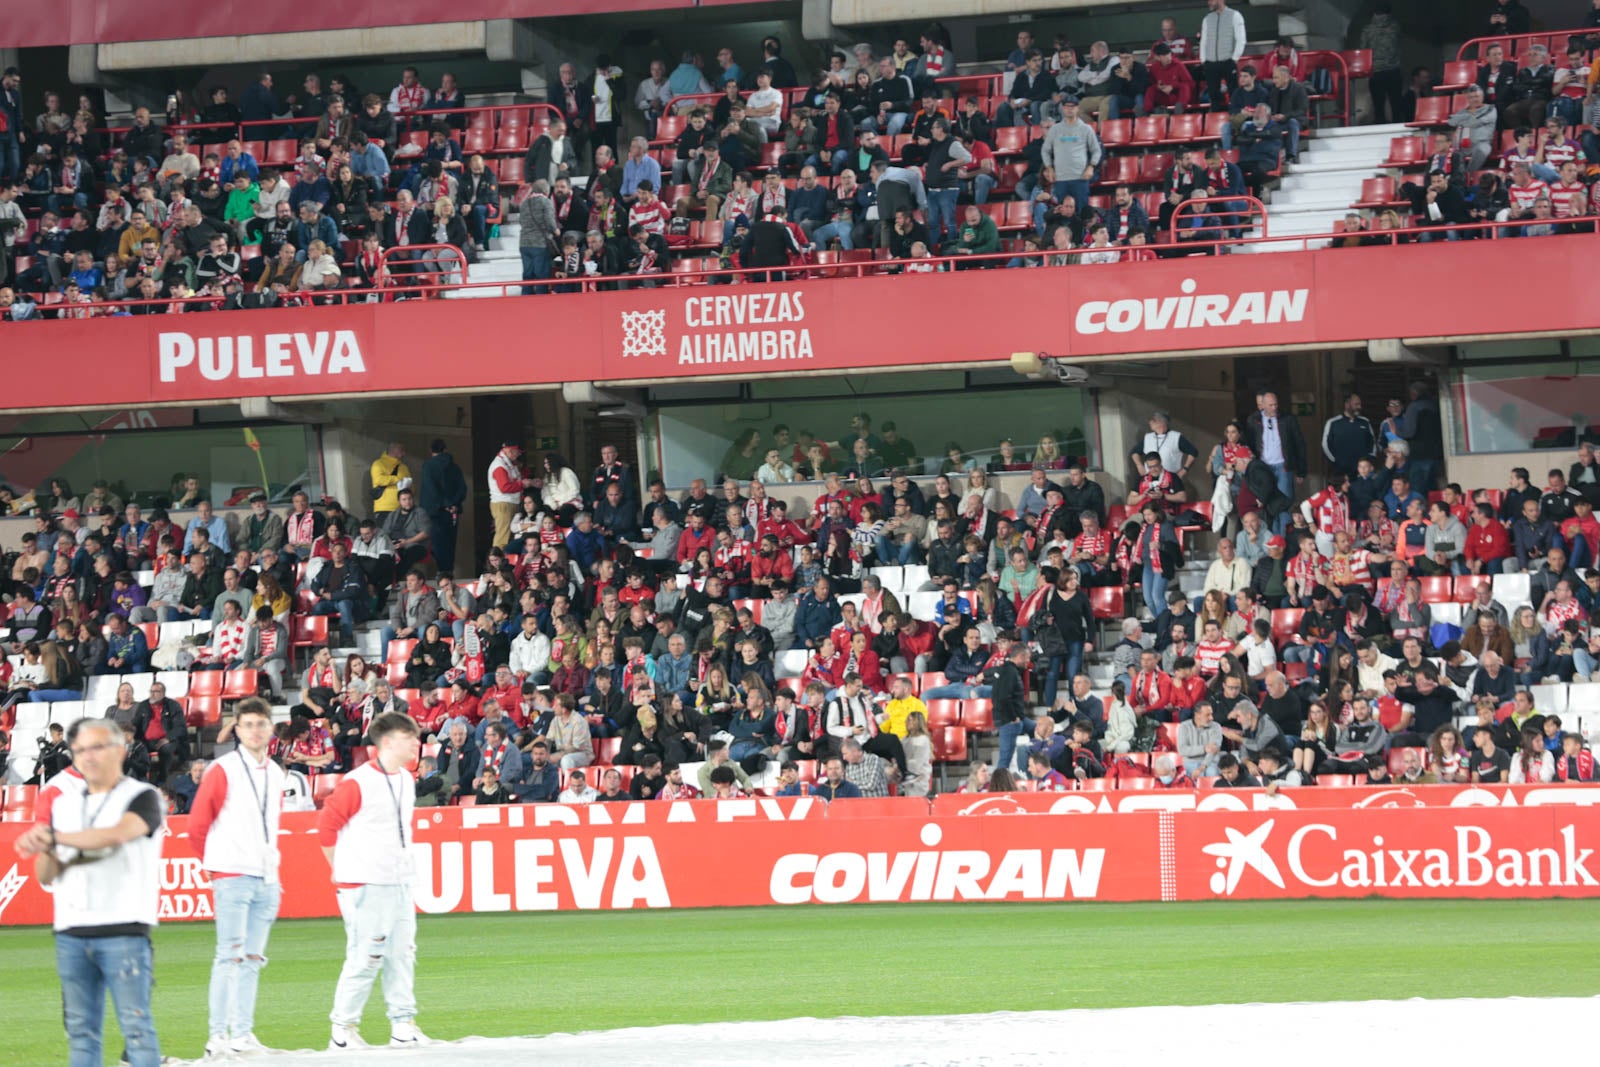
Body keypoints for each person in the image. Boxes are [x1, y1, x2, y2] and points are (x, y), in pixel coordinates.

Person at [13, 719, 166, 1067]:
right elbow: (45, 874)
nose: (88, 757)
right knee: (81, 1035)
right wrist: (44, 849)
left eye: (97, 747)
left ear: (120, 750)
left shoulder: (142, 796)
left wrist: (55, 838)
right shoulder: (63, 804)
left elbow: (116, 834)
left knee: (137, 1030)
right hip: (72, 930)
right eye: (80, 750)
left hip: (124, 927)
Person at [317, 711, 429, 1050]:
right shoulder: (358, 782)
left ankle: (403, 1024)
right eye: (409, 737)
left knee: (402, 953)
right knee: (366, 956)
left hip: (399, 880)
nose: (416, 743)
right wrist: (339, 869)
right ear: (388, 742)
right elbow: (327, 827)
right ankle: (343, 1028)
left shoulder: (406, 779)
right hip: (364, 882)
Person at [186, 698, 284, 1057]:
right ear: (237, 730)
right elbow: (197, 825)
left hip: (267, 877)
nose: (255, 730)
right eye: (248, 724)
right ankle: (217, 1036)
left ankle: (242, 1034)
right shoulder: (223, 769)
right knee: (229, 956)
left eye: (261, 724)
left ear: (271, 728)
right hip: (232, 875)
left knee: (253, 958)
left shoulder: (276, 773)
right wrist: (216, 867)